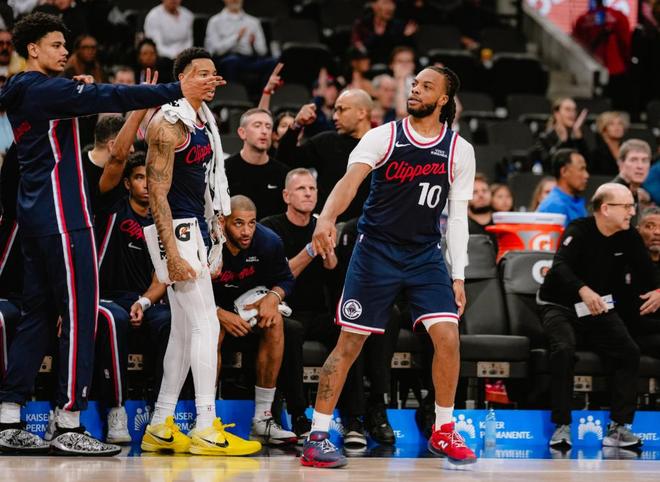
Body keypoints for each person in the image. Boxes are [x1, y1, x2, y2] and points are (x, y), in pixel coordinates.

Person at [0, 12, 219, 456]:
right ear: (33, 49)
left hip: (36, 218)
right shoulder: (45, 90)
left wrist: (73, 88)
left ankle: (7, 418)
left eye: (66, 45)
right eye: (56, 45)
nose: (65, 51)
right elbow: (111, 93)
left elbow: (73, 103)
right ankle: (68, 422)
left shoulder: (25, 90)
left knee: (38, 315)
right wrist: (177, 89)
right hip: (64, 218)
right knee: (79, 316)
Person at [301, 66, 477, 468]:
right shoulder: (383, 136)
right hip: (376, 252)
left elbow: (458, 218)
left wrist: (458, 275)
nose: (415, 90)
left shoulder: (459, 150)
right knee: (349, 344)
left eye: (426, 87)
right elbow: (348, 183)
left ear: (444, 99)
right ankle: (317, 436)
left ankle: (444, 429)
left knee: (448, 337)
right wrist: (326, 218)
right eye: (414, 85)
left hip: (424, 254)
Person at [140, 47, 259, 456]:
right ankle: (206, 425)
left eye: (214, 73)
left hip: (193, 229)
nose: (212, 80)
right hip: (176, 231)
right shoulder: (168, 124)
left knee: (182, 331)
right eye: (202, 73)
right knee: (207, 326)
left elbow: (206, 186)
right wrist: (171, 252)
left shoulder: (202, 121)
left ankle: (160, 424)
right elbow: (156, 192)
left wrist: (213, 235)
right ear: (182, 78)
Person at [537, 183, 656, 450]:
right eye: (627, 207)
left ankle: (619, 428)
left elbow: (648, 273)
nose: (632, 212)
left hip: (598, 308)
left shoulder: (628, 236)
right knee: (564, 349)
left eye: (632, 206)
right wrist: (583, 289)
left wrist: (659, 290)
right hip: (560, 306)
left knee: (629, 351)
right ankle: (562, 426)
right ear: (605, 209)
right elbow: (560, 267)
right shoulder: (579, 230)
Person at [262, 169, 371, 444]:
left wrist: (330, 257)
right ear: (286, 195)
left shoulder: (324, 226)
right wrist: (312, 249)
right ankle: (299, 415)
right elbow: (281, 275)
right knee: (291, 330)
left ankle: (354, 420)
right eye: (301, 189)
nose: (308, 194)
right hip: (286, 311)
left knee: (350, 332)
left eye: (312, 189)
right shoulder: (271, 229)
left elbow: (335, 276)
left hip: (319, 310)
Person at [213, 195, 299, 446]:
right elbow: (184, 287)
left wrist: (273, 297)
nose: (246, 231)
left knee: (275, 321)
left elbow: (286, 279)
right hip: (210, 310)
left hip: (246, 310)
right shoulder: (208, 242)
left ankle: (263, 418)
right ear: (223, 222)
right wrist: (218, 313)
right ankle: (206, 420)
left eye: (251, 223)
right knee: (213, 330)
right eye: (238, 223)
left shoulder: (268, 241)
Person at [276, 89, 374, 222]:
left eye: (341, 110)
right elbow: (285, 160)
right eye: (335, 110)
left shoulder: (382, 146)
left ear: (361, 113)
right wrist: (297, 125)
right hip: (324, 226)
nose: (335, 117)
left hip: (366, 227)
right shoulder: (326, 142)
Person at [225, 108, 289, 219]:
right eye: (257, 125)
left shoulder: (283, 173)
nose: (264, 131)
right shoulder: (225, 170)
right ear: (242, 133)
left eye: (268, 127)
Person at [573, 0, 632, 111]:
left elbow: (577, 47)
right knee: (616, 108)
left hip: (591, 69)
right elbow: (625, 44)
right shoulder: (618, 16)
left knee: (592, 107)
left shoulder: (582, 19)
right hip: (614, 70)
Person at [204, 0, 275, 90]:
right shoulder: (215, 21)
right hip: (226, 58)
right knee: (232, 61)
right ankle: (232, 93)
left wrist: (253, 44)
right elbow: (216, 50)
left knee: (272, 62)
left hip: (248, 59)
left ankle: (264, 94)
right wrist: (236, 37)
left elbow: (263, 51)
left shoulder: (253, 22)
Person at [530, 98, 589, 173]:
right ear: (556, 113)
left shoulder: (576, 139)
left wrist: (578, 137)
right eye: (568, 109)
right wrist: (563, 141)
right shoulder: (544, 138)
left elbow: (588, 165)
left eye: (574, 110)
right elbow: (549, 165)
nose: (572, 113)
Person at [351, 0, 417, 64]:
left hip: (392, 65)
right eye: (385, 2)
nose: (390, 7)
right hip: (367, 64)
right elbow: (358, 46)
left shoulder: (400, 26)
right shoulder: (362, 24)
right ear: (374, 5)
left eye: (392, 3)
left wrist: (405, 37)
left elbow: (404, 51)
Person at [537, 149, 589, 226]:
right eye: (581, 169)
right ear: (564, 171)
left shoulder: (576, 203)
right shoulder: (554, 206)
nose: (586, 175)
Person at [611, 139, 652, 227]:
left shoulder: (634, 191)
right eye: (633, 160)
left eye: (644, 160)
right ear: (620, 163)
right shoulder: (613, 193)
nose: (640, 166)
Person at [590, 111, 628, 176]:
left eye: (620, 123)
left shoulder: (628, 150)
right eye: (611, 124)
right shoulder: (596, 153)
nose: (617, 127)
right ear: (603, 129)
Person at [468, 173, 497, 247]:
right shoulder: (462, 225)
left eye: (484, 191)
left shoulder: (501, 222)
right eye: (475, 192)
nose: (481, 195)